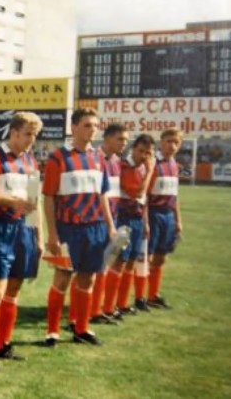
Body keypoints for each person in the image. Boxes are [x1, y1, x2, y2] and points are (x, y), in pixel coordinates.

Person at [0, 112, 44, 374]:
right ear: (13, 133)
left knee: (14, 289)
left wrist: (39, 237)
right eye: (28, 134)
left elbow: (35, 202)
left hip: (24, 230)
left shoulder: (30, 161)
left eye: (34, 135)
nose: (31, 140)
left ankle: (3, 344)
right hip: (1, 228)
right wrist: (11, 202)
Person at [42, 107, 116, 347]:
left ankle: (81, 328)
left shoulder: (99, 158)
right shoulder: (58, 158)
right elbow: (49, 197)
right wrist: (52, 234)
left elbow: (103, 195)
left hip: (95, 228)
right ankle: (52, 331)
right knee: (62, 278)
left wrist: (111, 227)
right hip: (68, 229)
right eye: (86, 125)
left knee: (88, 279)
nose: (92, 130)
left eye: (95, 126)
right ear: (73, 127)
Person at [102, 134, 156, 319]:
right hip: (124, 218)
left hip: (138, 219)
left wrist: (146, 222)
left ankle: (122, 303)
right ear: (133, 149)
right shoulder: (125, 166)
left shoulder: (143, 168)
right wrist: (150, 171)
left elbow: (144, 198)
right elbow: (137, 192)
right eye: (141, 151)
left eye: (148, 153)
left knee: (131, 262)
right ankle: (108, 306)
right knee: (119, 262)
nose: (144, 156)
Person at [83, 123, 129, 325]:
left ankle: (100, 308)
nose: (124, 143)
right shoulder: (95, 158)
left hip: (114, 218)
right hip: (98, 220)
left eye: (126, 139)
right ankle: (90, 311)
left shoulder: (117, 161)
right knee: (93, 267)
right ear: (107, 138)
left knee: (107, 264)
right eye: (120, 139)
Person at [145, 128, 184, 309]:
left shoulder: (174, 165)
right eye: (169, 141)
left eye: (176, 142)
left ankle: (153, 295)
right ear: (161, 142)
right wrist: (145, 220)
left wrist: (178, 220)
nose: (172, 146)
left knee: (161, 257)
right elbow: (145, 195)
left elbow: (175, 196)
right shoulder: (154, 163)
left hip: (168, 215)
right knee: (147, 256)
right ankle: (141, 296)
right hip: (153, 213)